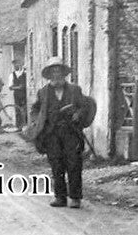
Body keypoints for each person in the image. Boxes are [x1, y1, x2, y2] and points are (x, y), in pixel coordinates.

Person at [28, 56, 96, 209]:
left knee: (74, 164)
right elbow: (35, 110)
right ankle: (60, 197)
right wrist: (36, 122)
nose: (56, 75)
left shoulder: (74, 90)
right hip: (51, 134)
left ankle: (76, 198)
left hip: (71, 133)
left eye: (59, 72)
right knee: (56, 165)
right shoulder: (43, 92)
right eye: (53, 72)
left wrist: (78, 114)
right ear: (49, 75)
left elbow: (85, 106)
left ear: (64, 74)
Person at [10, 61, 28, 129]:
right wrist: (18, 87)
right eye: (14, 65)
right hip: (17, 94)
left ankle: (25, 125)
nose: (16, 66)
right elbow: (10, 87)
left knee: (25, 109)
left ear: (20, 65)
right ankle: (18, 126)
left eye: (17, 64)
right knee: (17, 109)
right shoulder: (12, 75)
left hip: (24, 93)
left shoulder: (25, 73)